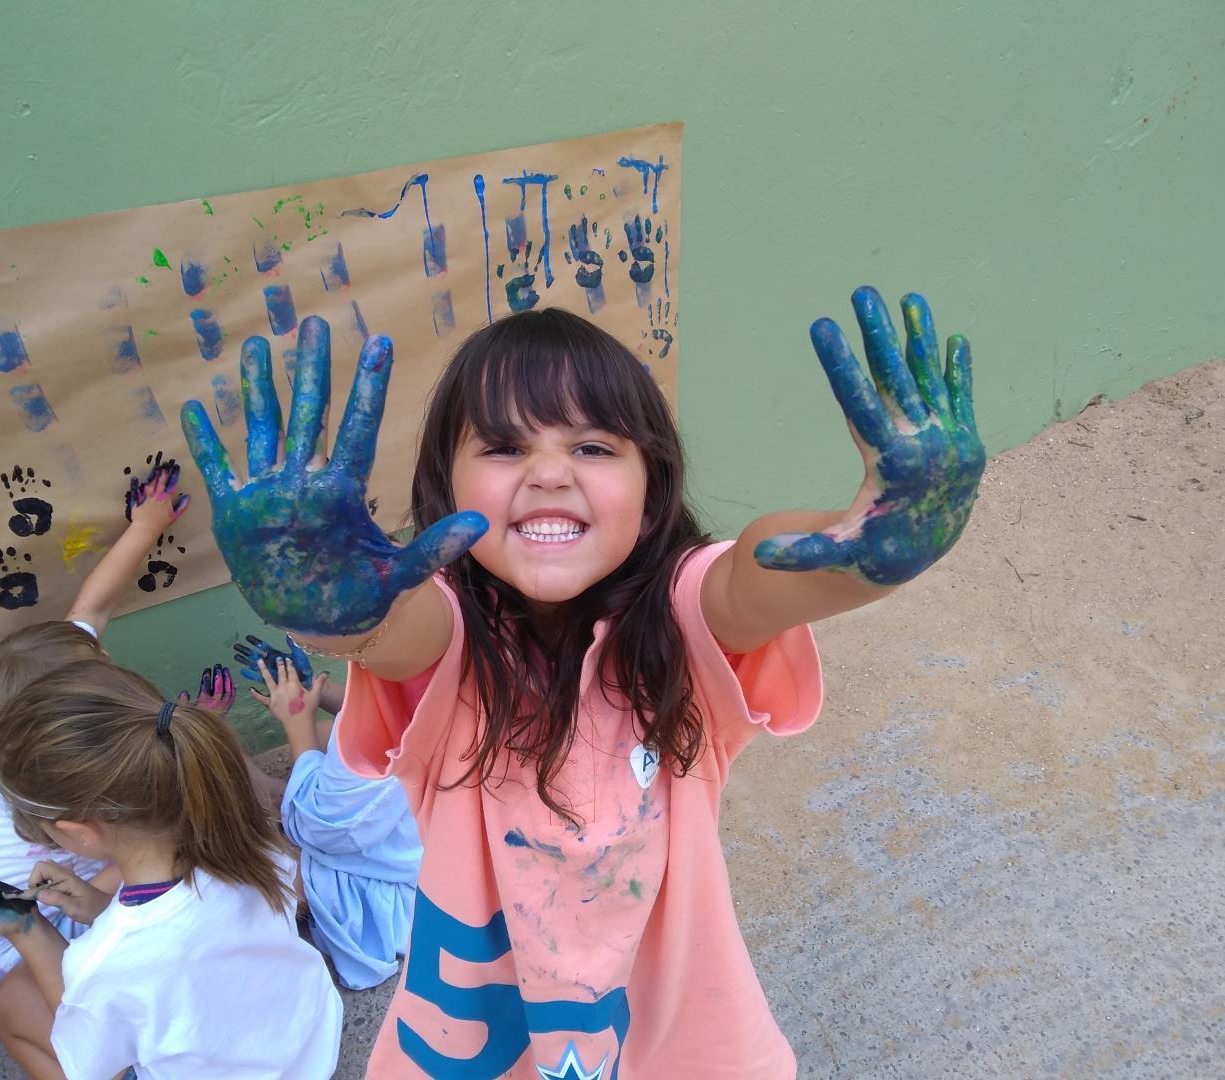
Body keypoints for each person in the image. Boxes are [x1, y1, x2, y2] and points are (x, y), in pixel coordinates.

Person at [180, 288, 985, 1077]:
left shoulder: (680, 618)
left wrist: (876, 543)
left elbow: (760, 572)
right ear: (445, 484)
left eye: (593, 447)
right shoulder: (448, 633)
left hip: (675, 1041)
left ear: (652, 484)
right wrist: (331, 608)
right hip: (483, 1044)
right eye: (504, 447)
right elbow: (391, 633)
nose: (549, 474)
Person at [0, 659, 343, 1079]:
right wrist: (97, 906)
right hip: (308, 1046)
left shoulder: (105, 963)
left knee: (11, 1006)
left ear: (80, 832)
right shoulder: (250, 842)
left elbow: (96, 1057)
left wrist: (26, 929)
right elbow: (188, 936)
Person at [0, 462, 193, 1078]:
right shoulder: (71, 777)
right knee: (154, 847)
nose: (106, 659)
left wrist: (146, 526)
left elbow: (93, 607)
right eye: (98, 670)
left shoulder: (14, 717)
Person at [239, 634, 422, 989]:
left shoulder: (364, 759)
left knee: (275, 861)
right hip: (422, 841)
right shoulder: (432, 684)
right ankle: (277, 790)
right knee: (326, 735)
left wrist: (297, 722)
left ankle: (277, 794)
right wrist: (316, 691)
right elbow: (384, 710)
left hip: (400, 883)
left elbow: (319, 827)